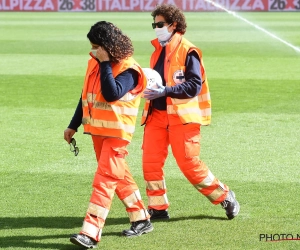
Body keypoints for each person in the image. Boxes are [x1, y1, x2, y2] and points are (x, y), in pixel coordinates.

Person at [141, 4, 240, 221]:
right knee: (150, 163)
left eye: (160, 24)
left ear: (173, 25)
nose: (156, 28)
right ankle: (158, 208)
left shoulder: (188, 50)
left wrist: (165, 90)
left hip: (181, 118)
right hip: (156, 116)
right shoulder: (157, 51)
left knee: (189, 165)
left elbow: (194, 85)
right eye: (154, 25)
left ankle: (224, 195)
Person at [64, 21, 153, 249]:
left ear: (106, 46)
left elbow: (111, 93)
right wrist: (73, 125)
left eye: (95, 46)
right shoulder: (95, 63)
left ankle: (90, 233)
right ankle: (141, 218)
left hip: (117, 134)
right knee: (118, 176)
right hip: (97, 132)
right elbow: (85, 95)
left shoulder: (130, 69)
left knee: (104, 181)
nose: (92, 51)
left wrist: (104, 62)